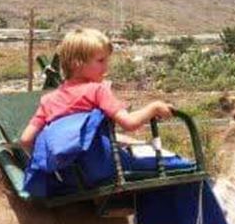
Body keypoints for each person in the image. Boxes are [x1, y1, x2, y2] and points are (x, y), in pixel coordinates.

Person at [19, 27, 173, 149]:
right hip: (102, 169)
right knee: (178, 164)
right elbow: (129, 123)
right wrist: (155, 107)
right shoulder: (97, 90)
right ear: (76, 63)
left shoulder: (48, 100)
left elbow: (25, 140)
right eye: (101, 60)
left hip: (70, 177)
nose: (106, 66)